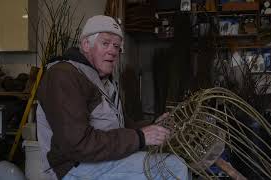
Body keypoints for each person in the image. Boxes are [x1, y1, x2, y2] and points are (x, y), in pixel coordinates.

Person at [36, 15, 188, 180]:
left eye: (116, 46)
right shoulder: (64, 75)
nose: (113, 51)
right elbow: (77, 144)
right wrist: (141, 137)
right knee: (172, 167)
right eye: (105, 43)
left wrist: (154, 126)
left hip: (99, 161)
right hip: (72, 168)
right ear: (86, 45)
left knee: (169, 159)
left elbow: (124, 126)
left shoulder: (103, 82)